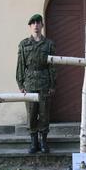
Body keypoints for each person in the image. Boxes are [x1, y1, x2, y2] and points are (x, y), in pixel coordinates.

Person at [16, 14, 56, 153]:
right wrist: (21, 84)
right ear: (30, 26)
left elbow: (52, 66)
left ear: (42, 25)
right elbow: (20, 65)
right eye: (33, 23)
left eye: (38, 23)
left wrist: (52, 85)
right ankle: (34, 143)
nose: (36, 25)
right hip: (30, 83)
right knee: (31, 113)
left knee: (44, 113)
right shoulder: (24, 44)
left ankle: (43, 142)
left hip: (44, 82)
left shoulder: (49, 44)